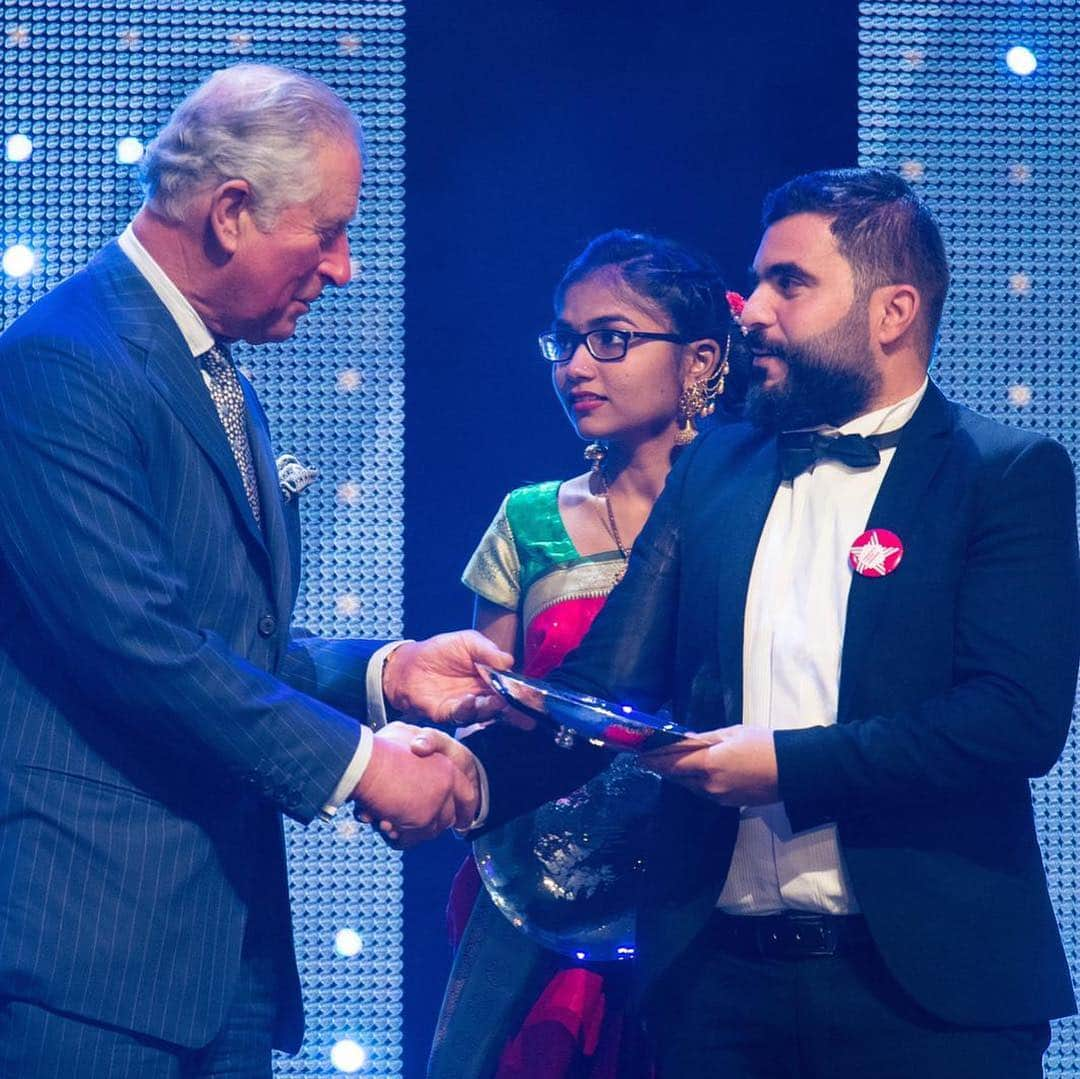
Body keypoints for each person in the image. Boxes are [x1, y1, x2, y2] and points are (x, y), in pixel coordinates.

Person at [452, 168, 1080, 1077]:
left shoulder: (1004, 473)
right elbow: (603, 686)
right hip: (716, 994)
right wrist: (460, 776)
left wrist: (782, 764)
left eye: (792, 282)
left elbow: (1010, 722)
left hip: (931, 1000)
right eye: (758, 280)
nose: (750, 310)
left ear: (892, 310)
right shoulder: (716, 469)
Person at [0, 64, 507, 1078]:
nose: (347, 266)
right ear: (232, 213)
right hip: (90, 963)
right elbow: (138, 649)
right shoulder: (62, 364)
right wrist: (365, 767)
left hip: (219, 959)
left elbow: (221, 641)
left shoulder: (209, 369)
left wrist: (386, 673)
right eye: (326, 232)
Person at [428, 230, 744, 1078]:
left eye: (610, 339)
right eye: (563, 342)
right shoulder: (528, 519)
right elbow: (488, 705)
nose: (575, 365)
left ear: (701, 360)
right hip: (540, 904)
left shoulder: (757, 516)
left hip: (708, 895)